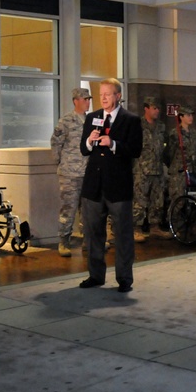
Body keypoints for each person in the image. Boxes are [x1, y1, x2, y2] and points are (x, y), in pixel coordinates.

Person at [79, 78, 143, 293]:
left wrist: (113, 144)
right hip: (94, 187)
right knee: (93, 233)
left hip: (118, 187)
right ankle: (95, 275)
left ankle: (124, 278)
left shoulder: (131, 120)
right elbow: (84, 149)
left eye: (108, 94)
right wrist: (90, 140)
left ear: (118, 95)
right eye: (101, 94)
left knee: (123, 235)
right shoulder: (92, 117)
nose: (103, 98)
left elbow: (135, 150)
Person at [51, 87, 92, 256]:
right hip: (70, 173)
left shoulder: (92, 120)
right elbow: (55, 143)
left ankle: (87, 240)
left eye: (89, 99)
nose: (88, 102)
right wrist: (60, 163)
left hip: (88, 172)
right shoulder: (66, 121)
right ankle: (64, 241)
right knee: (68, 208)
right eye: (85, 99)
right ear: (76, 101)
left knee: (88, 209)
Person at [133, 96, 169, 242]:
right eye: (154, 108)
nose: (157, 111)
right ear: (146, 108)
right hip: (142, 169)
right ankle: (136, 228)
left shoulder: (161, 126)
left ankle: (155, 227)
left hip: (157, 168)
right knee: (139, 201)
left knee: (157, 200)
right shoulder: (138, 125)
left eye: (158, 108)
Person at [165, 105, 196, 202]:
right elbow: (169, 153)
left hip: (191, 171)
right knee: (178, 200)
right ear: (181, 117)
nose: (191, 118)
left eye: (192, 115)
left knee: (191, 200)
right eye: (188, 115)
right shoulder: (175, 133)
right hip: (178, 172)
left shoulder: (194, 133)